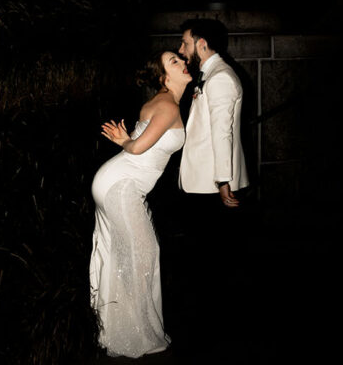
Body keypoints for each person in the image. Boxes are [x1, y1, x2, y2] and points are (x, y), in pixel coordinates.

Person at [89, 50, 191, 359]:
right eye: (175, 62)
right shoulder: (167, 106)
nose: (183, 62)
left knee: (131, 254)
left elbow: (141, 143)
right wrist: (125, 142)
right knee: (145, 253)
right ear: (164, 77)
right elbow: (138, 147)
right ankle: (136, 334)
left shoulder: (162, 102)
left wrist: (128, 141)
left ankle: (119, 327)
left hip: (116, 183)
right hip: (121, 186)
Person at [178, 19, 249, 207]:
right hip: (203, 182)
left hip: (212, 186)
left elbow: (222, 132)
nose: (181, 50)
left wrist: (223, 182)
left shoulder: (221, 78)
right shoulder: (209, 74)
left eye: (185, 43)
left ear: (202, 44)